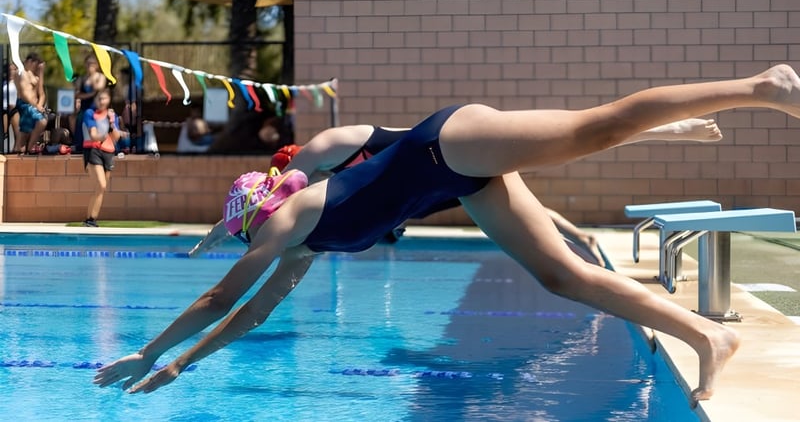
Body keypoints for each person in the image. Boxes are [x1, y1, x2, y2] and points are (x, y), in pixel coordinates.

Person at [95, 63, 800, 404]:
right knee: (561, 275)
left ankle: (761, 86)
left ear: (259, 214)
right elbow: (248, 315)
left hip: (448, 145)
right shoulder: (300, 251)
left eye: (242, 231)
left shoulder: (292, 216)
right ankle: (706, 336)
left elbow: (221, 298)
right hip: (454, 183)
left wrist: (151, 348)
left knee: (596, 128)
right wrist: (182, 366)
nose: (250, 243)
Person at [188, 118, 722, 261]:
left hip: (449, 154)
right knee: (541, 232)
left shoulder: (327, 149)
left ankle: (669, 128)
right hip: (432, 188)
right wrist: (217, 234)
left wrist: (221, 232)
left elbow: (267, 200)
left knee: (572, 138)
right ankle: (578, 239)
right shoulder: (326, 194)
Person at [82, 88, 125, 227]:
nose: (101, 101)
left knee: (100, 189)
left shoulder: (112, 115)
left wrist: (112, 123)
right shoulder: (90, 113)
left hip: (108, 152)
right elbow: (93, 134)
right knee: (101, 184)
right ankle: (90, 219)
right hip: (93, 150)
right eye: (99, 99)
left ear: (109, 100)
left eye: (104, 98)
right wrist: (104, 135)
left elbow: (116, 138)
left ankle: (90, 219)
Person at [12, 53, 48, 154]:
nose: (36, 67)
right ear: (29, 62)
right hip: (24, 104)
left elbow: (42, 94)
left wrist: (40, 105)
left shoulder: (36, 76)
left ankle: (25, 147)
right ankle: (30, 147)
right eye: (35, 64)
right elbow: (23, 93)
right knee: (42, 121)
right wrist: (36, 106)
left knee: (26, 131)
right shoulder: (22, 73)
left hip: (34, 107)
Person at [73, 54, 108, 153]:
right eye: (88, 63)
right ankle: (80, 145)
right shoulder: (82, 78)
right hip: (85, 107)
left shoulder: (100, 77)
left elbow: (98, 88)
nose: (89, 66)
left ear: (96, 65)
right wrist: (90, 94)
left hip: (97, 107)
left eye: (92, 63)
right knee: (80, 119)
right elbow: (77, 94)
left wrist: (92, 77)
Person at [2, 62, 20, 152]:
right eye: (10, 70)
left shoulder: (18, 83)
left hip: (14, 109)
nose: (11, 71)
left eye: (13, 69)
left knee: (17, 133)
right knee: (4, 133)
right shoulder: (3, 82)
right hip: (4, 109)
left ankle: (16, 151)